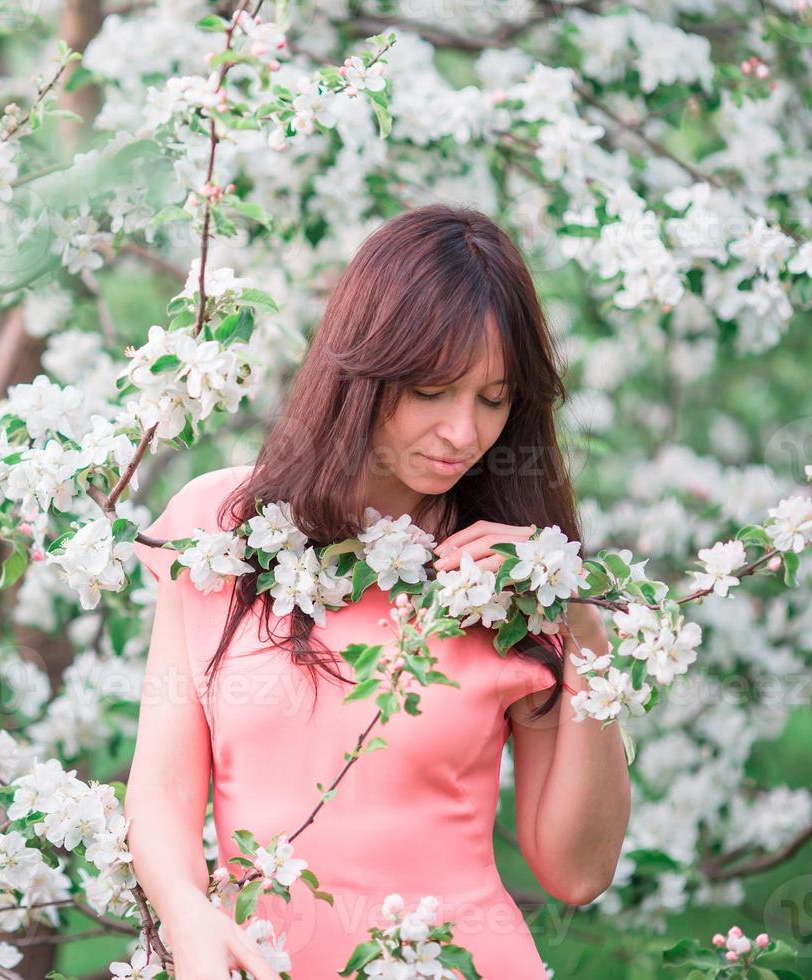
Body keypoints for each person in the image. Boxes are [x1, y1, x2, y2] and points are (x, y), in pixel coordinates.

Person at [123, 204, 632, 979]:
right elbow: (160, 792)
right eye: (434, 391)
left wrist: (582, 621)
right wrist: (188, 918)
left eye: (493, 399)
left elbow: (577, 872)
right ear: (363, 370)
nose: (463, 433)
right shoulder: (221, 531)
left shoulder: (510, 580)